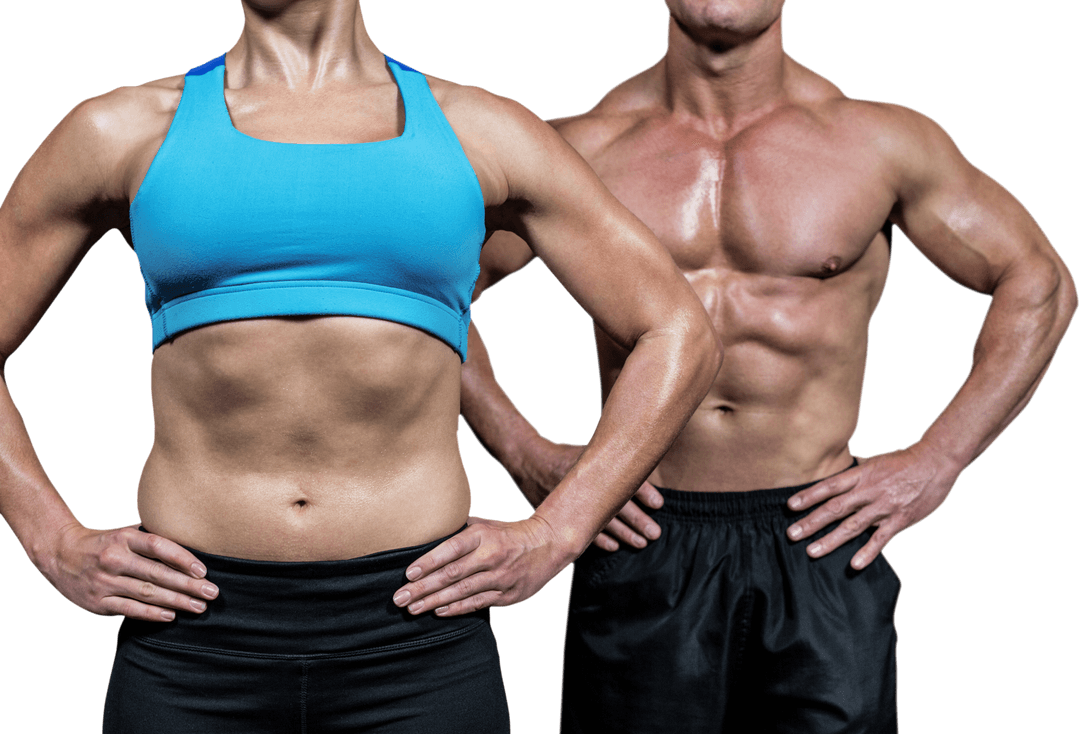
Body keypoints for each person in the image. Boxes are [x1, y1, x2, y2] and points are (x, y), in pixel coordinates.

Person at [0, 1, 720, 731]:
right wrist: (50, 539)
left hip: (416, 633)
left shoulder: (479, 131)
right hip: (193, 636)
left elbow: (678, 331)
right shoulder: (121, 131)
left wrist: (556, 533)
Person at [394, 1, 1078, 732]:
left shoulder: (879, 142)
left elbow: (1037, 282)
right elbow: (413, 293)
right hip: (644, 539)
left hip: (821, 539)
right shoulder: (580, 151)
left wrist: (936, 460)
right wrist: (523, 451)